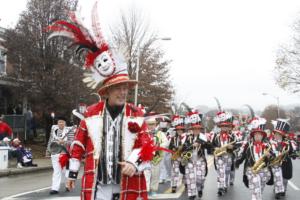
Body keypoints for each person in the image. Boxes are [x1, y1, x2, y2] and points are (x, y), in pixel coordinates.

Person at [47, 4, 155, 199]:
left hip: (127, 183)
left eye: (125, 88)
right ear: (106, 91)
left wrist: (133, 162)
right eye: (118, 88)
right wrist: (72, 173)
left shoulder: (136, 114)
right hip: (98, 184)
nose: (123, 92)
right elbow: (78, 145)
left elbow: (146, 143)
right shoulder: (90, 113)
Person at [235, 117, 272, 200]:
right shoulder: (248, 145)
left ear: (263, 136)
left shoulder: (267, 145)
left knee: (259, 190)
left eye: (260, 134)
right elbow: (243, 155)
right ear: (253, 135)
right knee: (256, 189)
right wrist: (237, 163)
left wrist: (269, 155)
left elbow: (273, 159)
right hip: (251, 170)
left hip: (264, 171)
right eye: (256, 134)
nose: (258, 136)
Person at [185, 111, 212, 199]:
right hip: (190, 160)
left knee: (200, 179)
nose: (196, 130)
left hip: (200, 160)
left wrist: (202, 142)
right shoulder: (188, 137)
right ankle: (192, 194)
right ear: (192, 129)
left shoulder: (203, 137)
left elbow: (209, 147)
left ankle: (200, 188)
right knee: (190, 179)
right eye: (194, 129)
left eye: (198, 129)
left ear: (200, 129)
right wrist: (191, 145)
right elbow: (183, 148)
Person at [211, 111, 238, 196]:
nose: (224, 128)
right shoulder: (216, 136)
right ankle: (220, 187)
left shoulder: (232, 136)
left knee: (226, 172)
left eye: (226, 126)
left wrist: (232, 147)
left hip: (228, 156)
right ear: (220, 127)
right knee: (221, 172)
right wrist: (215, 148)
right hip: (219, 157)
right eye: (223, 126)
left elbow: (237, 145)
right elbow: (211, 146)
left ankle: (225, 185)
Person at [269, 119, 295, 199]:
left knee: (284, 179)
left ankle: (283, 190)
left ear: (282, 135)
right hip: (275, 163)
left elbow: (292, 151)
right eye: (276, 134)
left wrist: (293, 153)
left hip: (285, 163)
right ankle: (277, 191)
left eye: (279, 134)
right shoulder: (271, 142)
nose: (277, 135)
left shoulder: (288, 142)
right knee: (277, 177)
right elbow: (268, 151)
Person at [47, 116, 73, 195]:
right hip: (55, 153)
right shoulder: (54, 130)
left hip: (64, 154)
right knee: (56, 171)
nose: (61, 123)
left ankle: (68, 185)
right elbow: (50, 141)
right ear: (57, 123)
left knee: (66, 171)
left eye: (62, 122)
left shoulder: (70, 130)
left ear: (65, 123)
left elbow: (72, 142)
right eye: (59, 122)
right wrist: (48, 151)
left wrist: (64, 142)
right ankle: (55, 188)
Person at [144, 116, 168, 197]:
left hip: (156, 158)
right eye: (149, 124)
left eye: (152, 124)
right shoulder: (144, 133)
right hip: (146, 159)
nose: (151, 126)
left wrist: (159, 146)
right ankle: (146, 190)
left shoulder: (160, 133)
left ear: (155, 125)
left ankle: (153, 190)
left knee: (155, 175)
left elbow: (166, 142)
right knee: (146, 175)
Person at [169, 115, 186, 194]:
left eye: (181, 130)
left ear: (183, 130)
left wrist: (183, 149)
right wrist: (174, 149)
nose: (179, 131)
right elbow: (170, 147)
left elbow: (189, 146)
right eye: (178, 130)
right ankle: (174, 186)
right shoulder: (173, 138)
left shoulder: (187, 137)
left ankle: (186, 184)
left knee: (185, 171)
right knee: (174, 171)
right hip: (176, 157)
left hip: (184, 157)